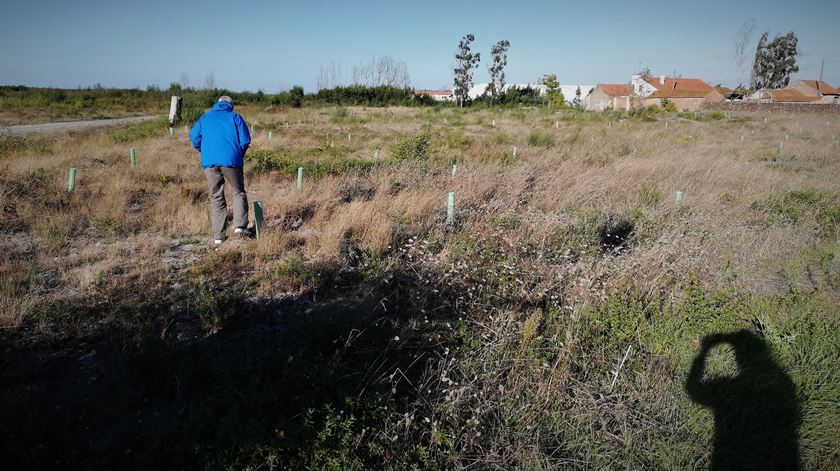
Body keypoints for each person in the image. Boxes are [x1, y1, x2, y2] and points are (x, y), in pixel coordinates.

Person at [190, 96, 252, 244]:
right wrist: (238, 154)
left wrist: (204, 150)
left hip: (209, 163)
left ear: (217, 104)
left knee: (216, 196)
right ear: (230, 105)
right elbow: (245, 140)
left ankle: (218, 236)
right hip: (232, 161)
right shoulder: (235, 117)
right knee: (238, 192)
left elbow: (194, 137)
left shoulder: (205, 117)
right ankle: (240, 227)